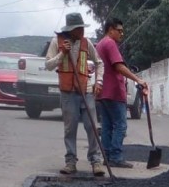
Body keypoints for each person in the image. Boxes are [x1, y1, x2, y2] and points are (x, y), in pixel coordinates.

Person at [45, 12, 105, 176]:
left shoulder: (87, 43)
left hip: (86, 92)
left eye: (82, 28)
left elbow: (100, 63)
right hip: (67, 93)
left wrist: (98, 82)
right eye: (79, 29)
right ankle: (70, 162)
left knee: (92, 127)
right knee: (70, 128)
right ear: (71, 29)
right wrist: (62, 53)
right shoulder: (56, 43)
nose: (82, 31)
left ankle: (96, 161)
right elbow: (48, 65)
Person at [96, 17, 148, 169]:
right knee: (120, 125)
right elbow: (118, 66)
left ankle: (106, 156)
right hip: (113, 91)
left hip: (103, 92)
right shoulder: (110, 43)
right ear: (110, 30)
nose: (121, 34)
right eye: (119, 31)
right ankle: (116, 157)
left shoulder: (99, 44)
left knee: (106, 125)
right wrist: (137, 79)